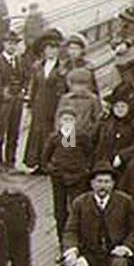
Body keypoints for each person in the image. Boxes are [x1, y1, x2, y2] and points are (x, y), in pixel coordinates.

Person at [42, 106, 94, 248]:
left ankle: (79, 240)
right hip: (59, 178)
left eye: (70, 119)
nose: (67, 122)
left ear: (75, 121)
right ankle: (62, 241)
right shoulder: (54, 137)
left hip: (77, 177)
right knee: (60, 210)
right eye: (65, 119)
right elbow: (45, 158)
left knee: (77, 207)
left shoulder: (81, 137)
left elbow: (89, 154)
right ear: (59, 121)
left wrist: (85, 170)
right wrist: (52, 170)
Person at [23, 27, 66, 170]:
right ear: (43, 50)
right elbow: (33, 87)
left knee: (53, 133)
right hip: (39, 105)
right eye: (49, 48)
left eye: (55, 48)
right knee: (37, 134)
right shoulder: (38, 67)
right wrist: (30, 105)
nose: (52, 51)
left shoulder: (63, 68)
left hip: (55, 105)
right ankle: (39, 163)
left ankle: (53, 163)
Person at [0, 29, 28, 169]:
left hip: (17, 101)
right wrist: (1, 91)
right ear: (4, 44)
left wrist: (23, 89)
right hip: (2, 103)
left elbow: (25, 78)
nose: (12, 46)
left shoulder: (19, 60)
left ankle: (11, 161)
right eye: (9, 43)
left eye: (14, 44)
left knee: (14, 131)